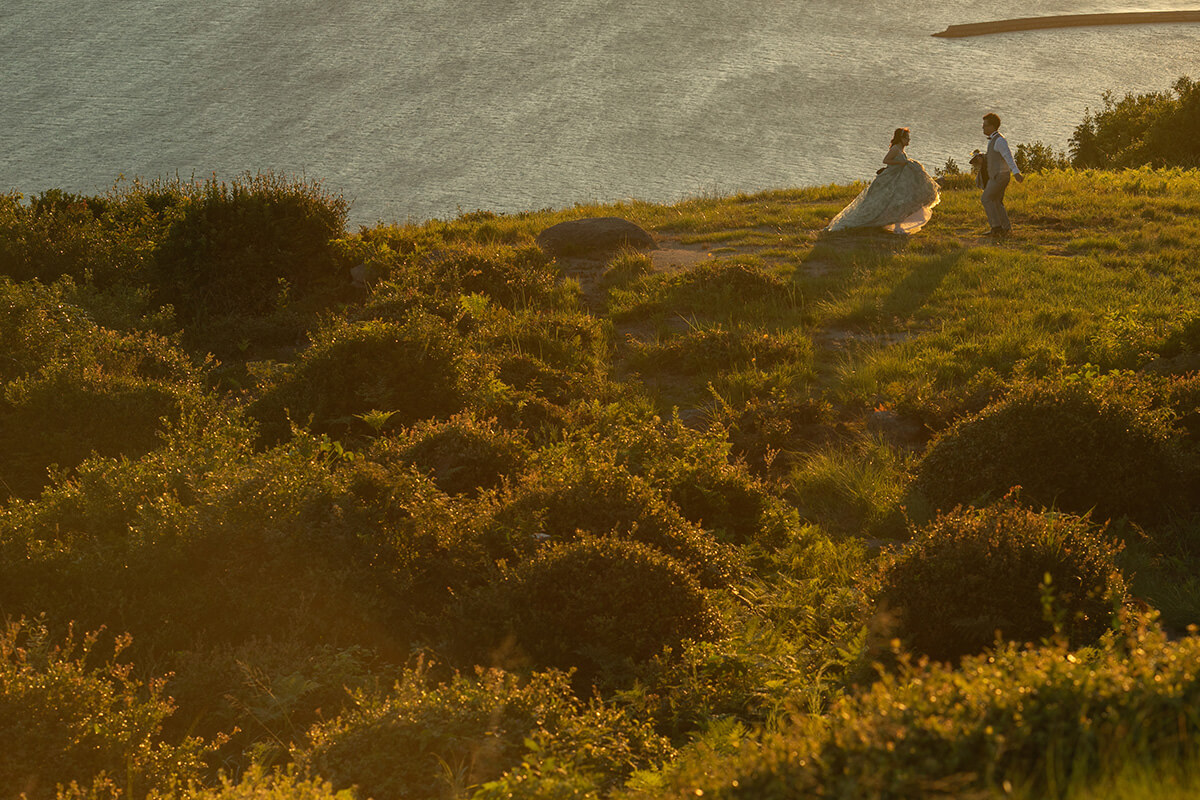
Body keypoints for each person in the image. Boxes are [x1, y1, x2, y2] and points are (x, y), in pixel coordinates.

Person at [825, 127, 941, 234]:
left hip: (896, 179)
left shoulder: (901, 149)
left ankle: (897, 226)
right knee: (880, 203)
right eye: (907, 138)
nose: (909, 140)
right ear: (901, 138)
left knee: (898, 203)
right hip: (888, 179)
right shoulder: (895, 149)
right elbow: (886, 160)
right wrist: (902, 163)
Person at [981, 112, 1024, 236]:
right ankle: (1005, 228)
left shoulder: (999, 141)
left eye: (985, 125)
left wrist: (1016, 173)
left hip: (999, 177)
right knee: (997, 201)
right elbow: (996, 156)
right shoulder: (995, 140)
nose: (983, 127)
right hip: (999, 176)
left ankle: (996, 227)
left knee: (986, 198)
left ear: (993, 126)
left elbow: (1008, 157)